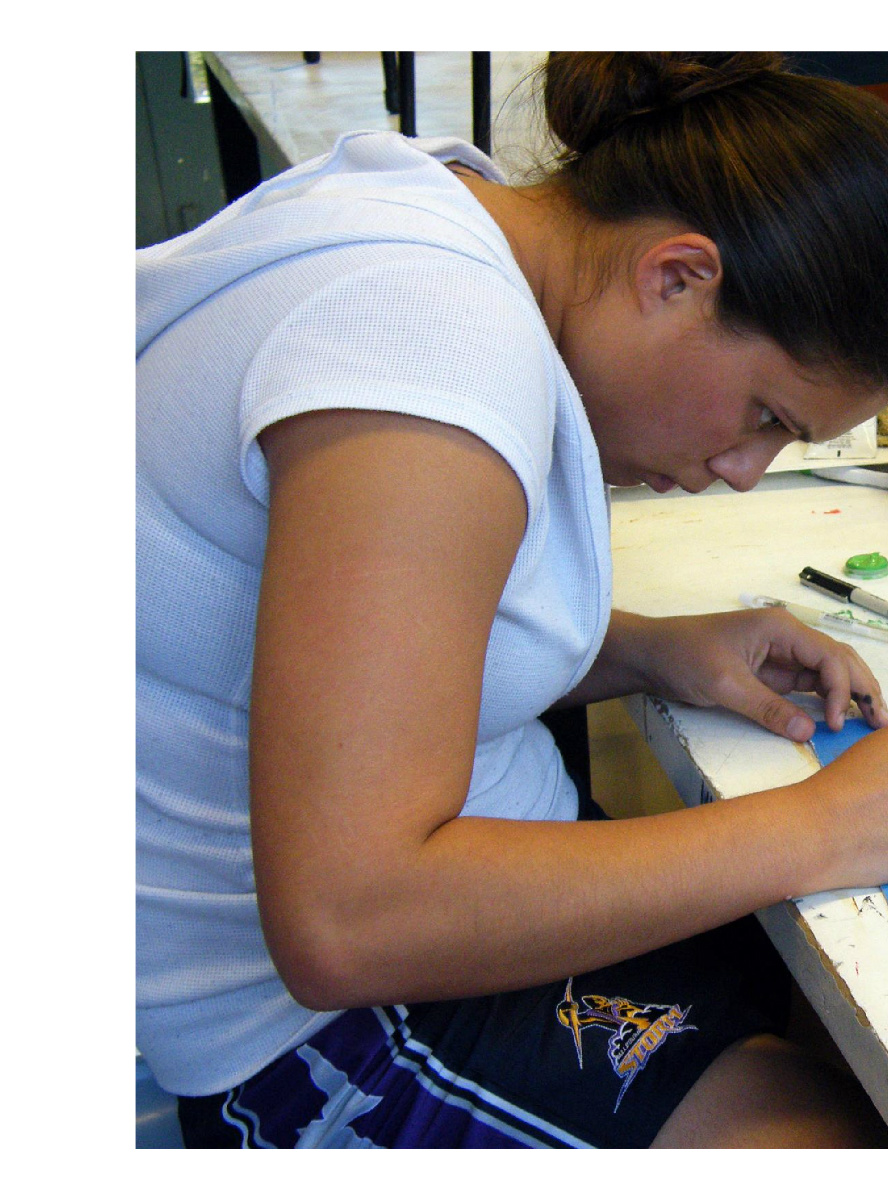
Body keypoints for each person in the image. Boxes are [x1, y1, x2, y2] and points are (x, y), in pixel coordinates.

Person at [136, 51, 888, 1148]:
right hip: (323, 1032)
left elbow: (353, 657)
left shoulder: (435, 209)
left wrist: (643, 652)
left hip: (455, 907)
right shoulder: (431, 348)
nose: (744, 472)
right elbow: (351, 922)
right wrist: (824, 828)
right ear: (677, 276)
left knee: (804, 1003)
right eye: (767, 416)